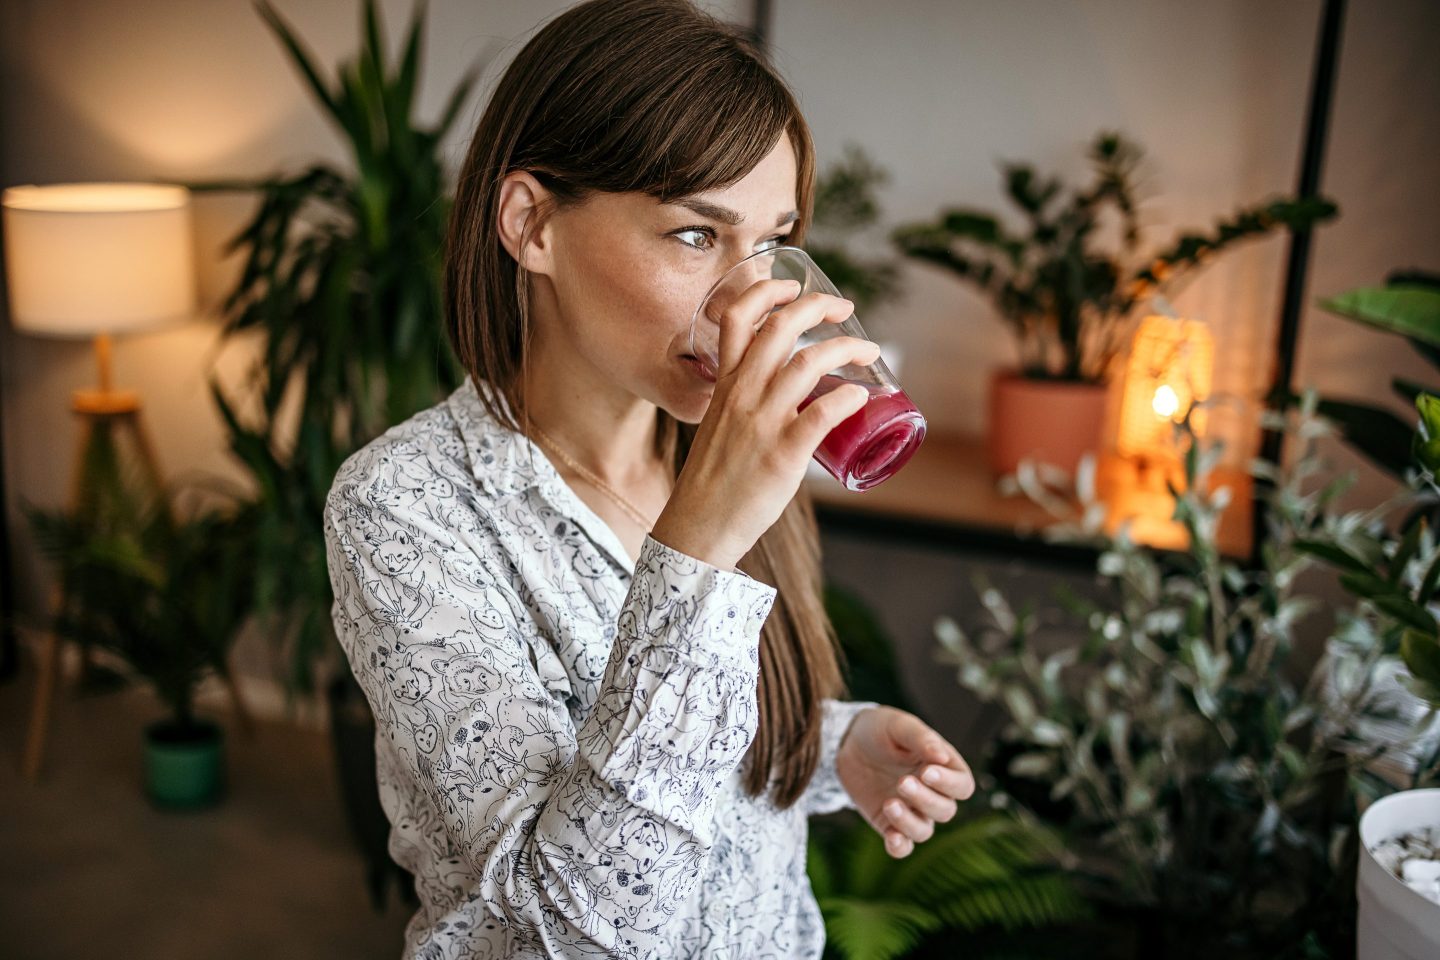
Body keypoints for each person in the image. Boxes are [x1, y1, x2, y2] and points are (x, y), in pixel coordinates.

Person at [322, 1, 975, 956]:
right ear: (530, 223)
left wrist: (829, 747)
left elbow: (693, 729)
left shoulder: (718, 450)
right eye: (695, 236)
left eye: (774, 241)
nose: (752, 300)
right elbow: (579, 931)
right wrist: (699, 546)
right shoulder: (406, 508)